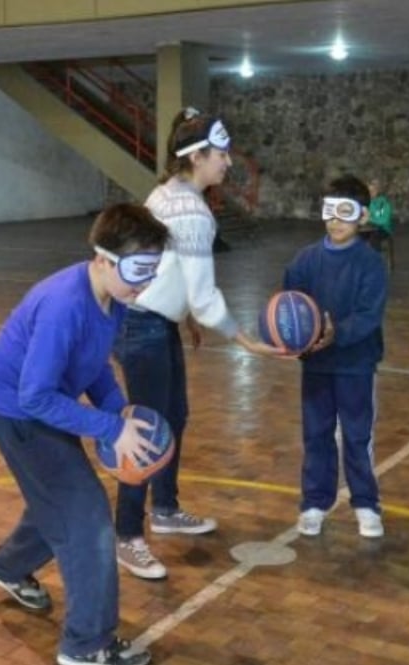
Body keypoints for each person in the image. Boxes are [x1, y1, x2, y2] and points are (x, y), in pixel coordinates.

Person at [0, 203, 168, 665]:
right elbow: (36, 395)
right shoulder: (65, 305)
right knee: (86, 517)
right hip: (19, 411)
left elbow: (94, 363)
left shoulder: (114, 299)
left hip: (41, 402)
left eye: (153, 270)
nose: (145, 281)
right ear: (103, 259)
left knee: (60, 501)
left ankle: (7, 567)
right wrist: (109, 428)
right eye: (137, 269)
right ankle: (86, 644)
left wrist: (115, 408)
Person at [111, 107, 282, 581]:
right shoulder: (193, 213)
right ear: (197, 156)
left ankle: (164, 508)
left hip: (150, 322)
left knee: (174, 418)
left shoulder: (166, 193)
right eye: (221, 153)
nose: (228, 162)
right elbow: (205, 297)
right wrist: (245, 339)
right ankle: (127, 534)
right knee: (145, 433)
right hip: (142, 327)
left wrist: (180, 315)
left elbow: (164, 267)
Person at [285, 175, 388, 538]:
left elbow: (368, 314)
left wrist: (337, 333)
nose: (335, 220)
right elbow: (289, 303)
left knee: (358, 435)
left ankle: (365, 503)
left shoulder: (371, 263)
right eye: (330, 212)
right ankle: (314, 502)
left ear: (362, 217)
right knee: (316, 434)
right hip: (316, 365)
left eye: (345, 213)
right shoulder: (305, 260)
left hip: (356, 366)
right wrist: (290, 334)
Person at [364, 178, 394, 253]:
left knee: (374, 237)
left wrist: (368, 219)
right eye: (368, 191)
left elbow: (383, 221)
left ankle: (376, 260)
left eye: (372, 191)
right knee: (354, 236)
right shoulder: (366, 202)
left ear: (377, 191)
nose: (370, 193)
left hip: (383, 229)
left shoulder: (384, 203)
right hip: (369, 228)